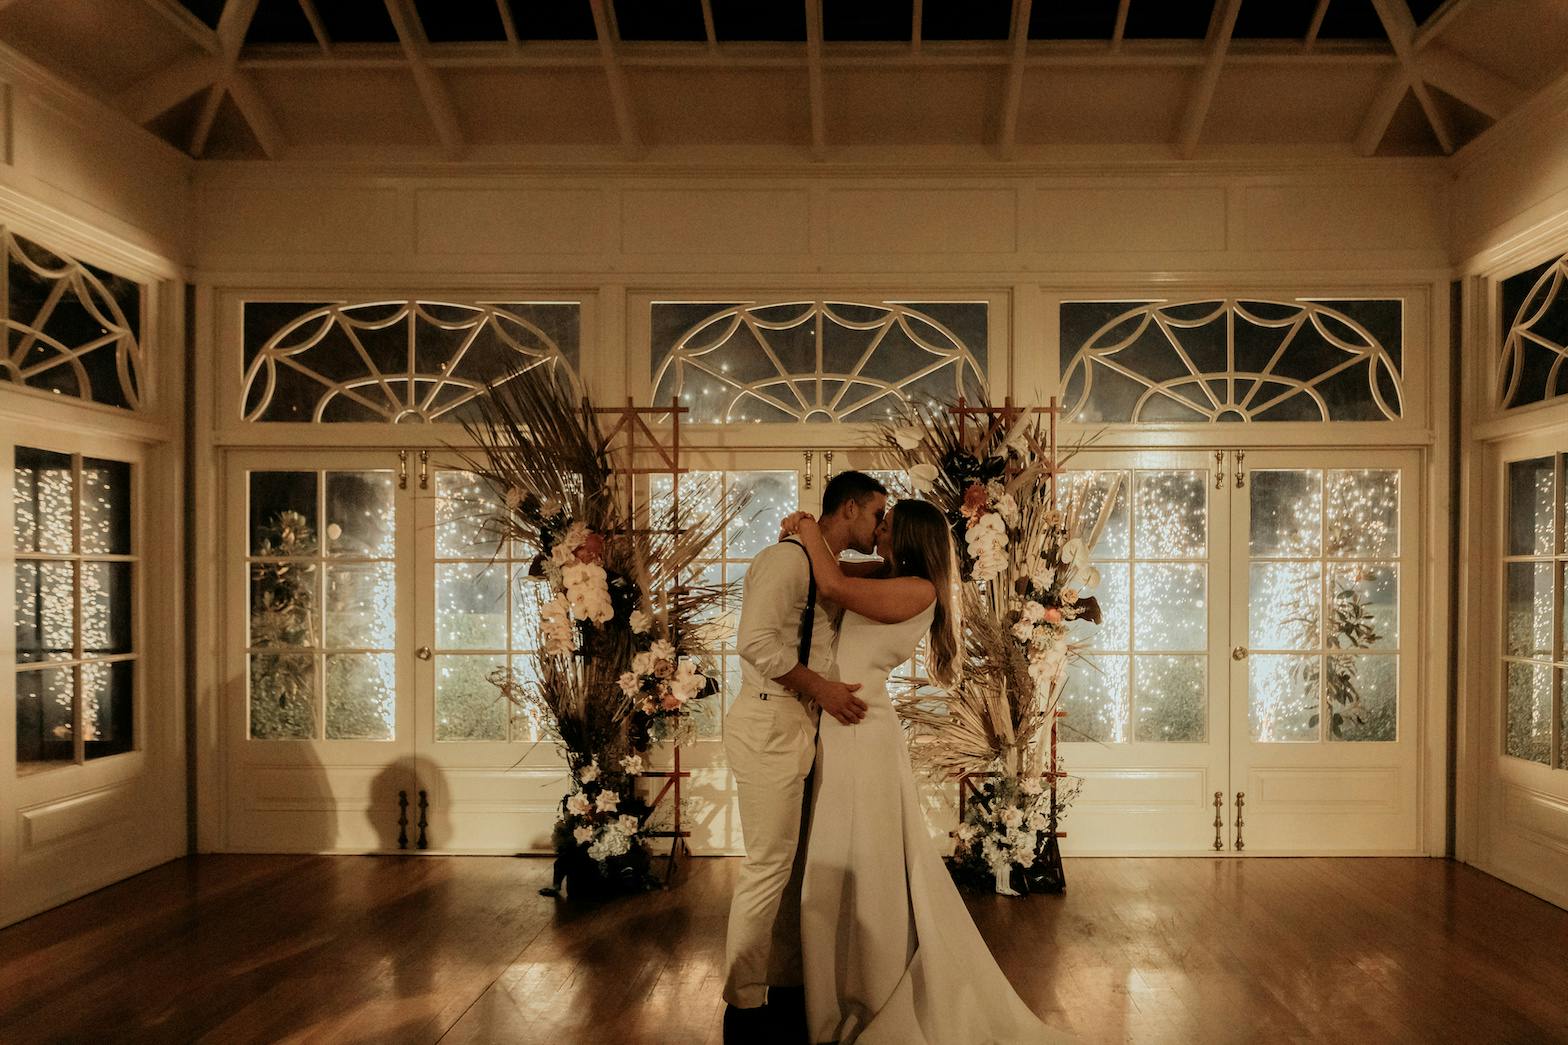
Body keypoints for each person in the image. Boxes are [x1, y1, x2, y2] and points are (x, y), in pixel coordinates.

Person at [785, 500, 1065, 1044]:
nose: (878, 530)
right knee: (837, 854)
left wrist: (804, 526)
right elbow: (830, 574)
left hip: (862, 730)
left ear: (909, 538)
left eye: (886, 525)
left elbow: (835, 588)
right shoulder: (887, 575)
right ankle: (838, 987)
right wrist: (810, 541)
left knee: (864, 858)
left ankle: (873, 986)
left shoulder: (920, 590)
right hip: (842, 723)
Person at [722, 471, 888, 1042]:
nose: (879, 527)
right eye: (875, 516)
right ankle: (742, 1007)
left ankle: (787, 987)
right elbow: (755, 642)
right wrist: (822, 688)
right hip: (770, 718)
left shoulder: (824, 565)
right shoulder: (785, 561)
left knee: (795, 868)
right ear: (847, 510)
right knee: (768, 865)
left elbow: (860, 578)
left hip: (803, 723)